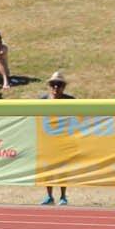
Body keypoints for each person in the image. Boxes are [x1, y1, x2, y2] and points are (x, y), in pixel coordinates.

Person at [40, 71, 74, 205]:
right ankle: (49, 196)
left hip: (63, 139)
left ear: (63, 87)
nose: (55, 88)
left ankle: (63, 196)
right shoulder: (42, 101)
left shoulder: (70, 101)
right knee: (48, 168)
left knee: (62, 169)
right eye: (53, 84)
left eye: (59, 85)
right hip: (47, 139)